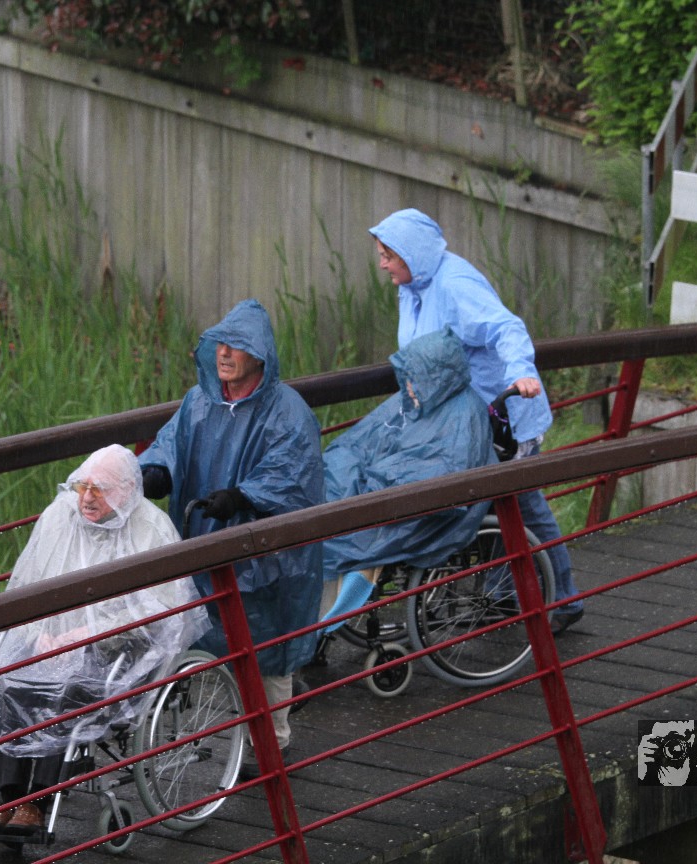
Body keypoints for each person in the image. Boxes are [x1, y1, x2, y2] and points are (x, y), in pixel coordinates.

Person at [0, 444, 209, 838]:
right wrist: (39, 634)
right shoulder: (60, 516)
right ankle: (7, 797)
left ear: (127, 490)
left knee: (64, 690)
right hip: (53, 638)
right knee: (7, 680)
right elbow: (28, 585)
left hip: (119, 649)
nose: (87, 497)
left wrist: (87, 635)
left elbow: (160, 612)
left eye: (99, 489)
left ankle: (36, 803)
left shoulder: (151, 529)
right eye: (82, 486)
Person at [368, 208, 584, 634]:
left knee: (522, 507)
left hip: (502, 415)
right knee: (501, 507)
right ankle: (505, 595)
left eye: (388, 256)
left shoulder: (455, 284)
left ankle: (563, 599)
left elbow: (506, 328)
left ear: (412, 254)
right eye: (381, 255)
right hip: (460, 419)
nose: (382, 264)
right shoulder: (412, 287)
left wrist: (521, 372)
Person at [139, 299, 324, 763]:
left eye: (236, 346)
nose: (224, 353)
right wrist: (154, 472)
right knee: (200, 631)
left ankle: (273, 743)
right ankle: (188, 733)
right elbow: (169, 445)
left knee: (267, 650)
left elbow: (293, 476)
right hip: (205, 538)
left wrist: (243, 496)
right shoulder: (199, 402)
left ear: (259, 356)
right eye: (220, 343)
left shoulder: (288, 412)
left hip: (266, 556)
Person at [319, 327, 496, 622]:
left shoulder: (462, 419)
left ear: (435, 379)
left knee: (334, 539)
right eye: (407, 379)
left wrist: (369, 483)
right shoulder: (420, 399)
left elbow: (435, 473)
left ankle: (316, 622)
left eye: (414, 380)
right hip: (375, 485)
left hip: (406, 510)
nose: (408, 388)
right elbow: (360, 442)